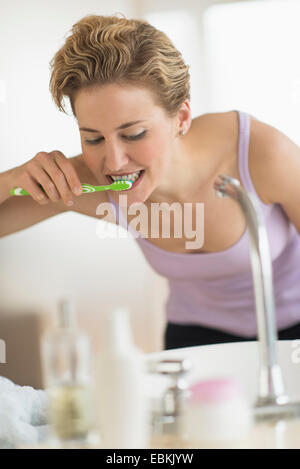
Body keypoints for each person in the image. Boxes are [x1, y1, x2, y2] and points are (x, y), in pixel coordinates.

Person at [1, 14, 300, 350]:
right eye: (94, 139)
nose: (113, 162)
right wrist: (10, 178)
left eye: (134, 134)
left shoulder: (260, 154)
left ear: (182, 117)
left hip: (293, 328)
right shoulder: (86, 182)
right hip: (195, 338)